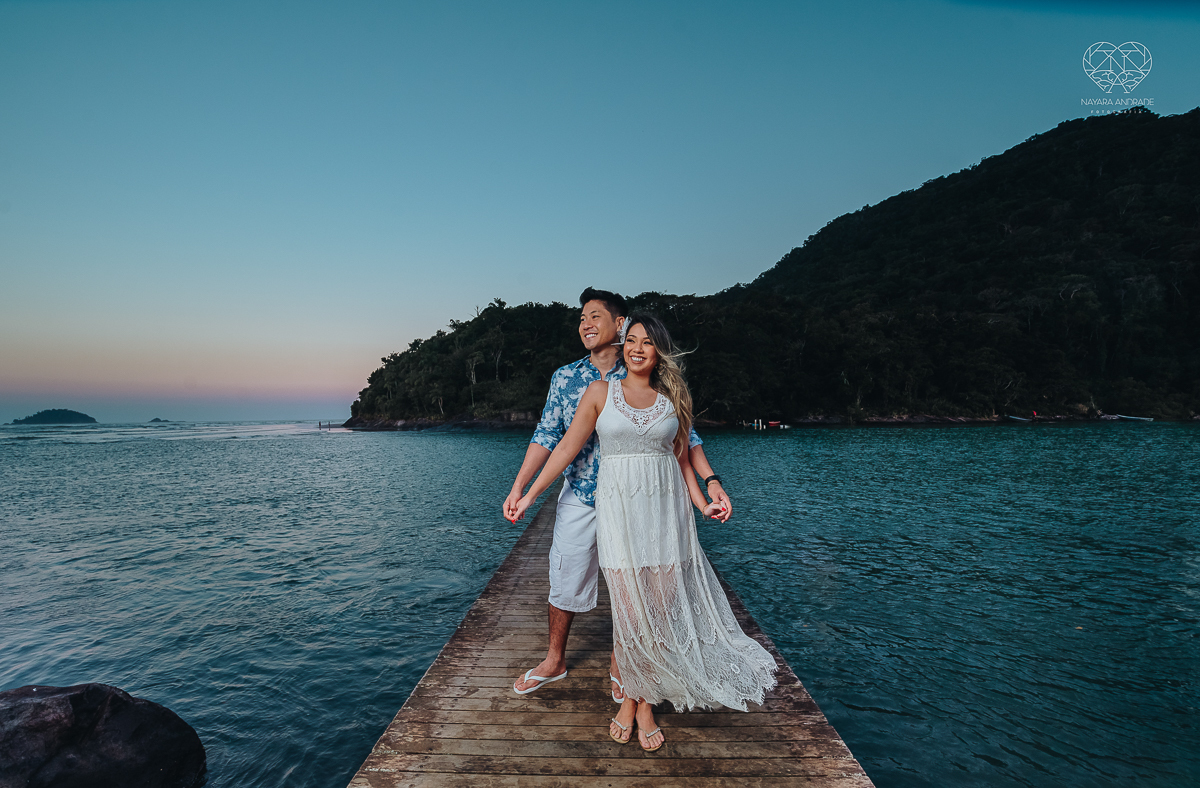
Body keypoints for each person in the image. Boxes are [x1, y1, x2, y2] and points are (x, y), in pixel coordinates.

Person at [510, 312, 777, 751]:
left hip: (667, 514)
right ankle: (637, 693)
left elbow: (683, 458)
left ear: (659, 351)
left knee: (660, 610)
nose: (637, 348)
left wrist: (705, 501)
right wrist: (528, 493)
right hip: (619, 513)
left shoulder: (674, 396)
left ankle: (642, 703)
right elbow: (565, 448)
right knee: (632, 612)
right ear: (624, 344)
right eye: (631, 340)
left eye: (647, 342)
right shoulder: (600, 392)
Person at [503, 288, 732, 703]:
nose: (585, 324)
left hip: (640, 500)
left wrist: (710, 484)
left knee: (638, 585)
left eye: (595, 316)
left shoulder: (651, 376)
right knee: (566, 576)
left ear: (620, 324)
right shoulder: (568, 378)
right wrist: (522, 488)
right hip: (582, 492)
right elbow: (551, 437)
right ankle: (554, 660)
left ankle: (623, 665)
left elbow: (685, 440)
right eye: (581, 318)